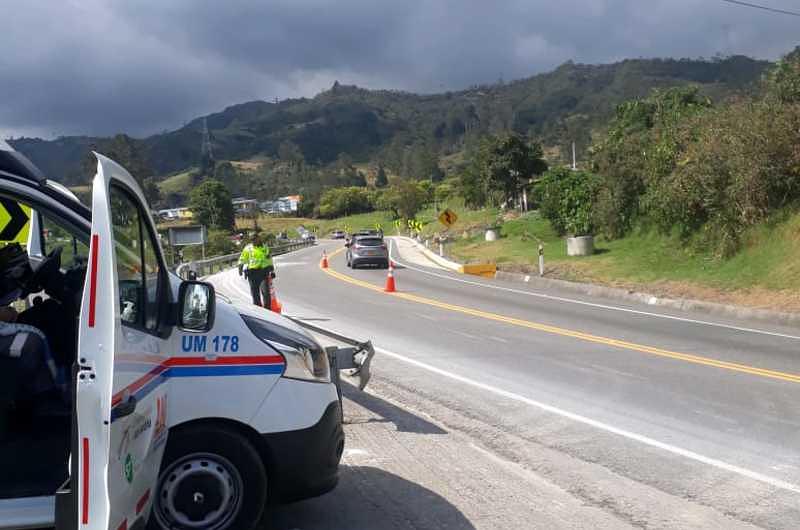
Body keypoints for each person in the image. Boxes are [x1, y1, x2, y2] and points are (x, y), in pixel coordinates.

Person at [238, 234, 275, 307]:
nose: (253, 241)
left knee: (266, 293)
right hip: (252, 273)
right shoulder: (248, 248)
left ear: (258, 239)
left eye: (254, 239)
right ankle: (258, 311)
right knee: (255, 294)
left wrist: (272, 270)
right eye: (252, 240)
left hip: (263, 273)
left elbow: (269, 259)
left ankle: (268, 311)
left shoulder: (265, 247)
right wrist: (240, 269)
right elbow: (242, 259)